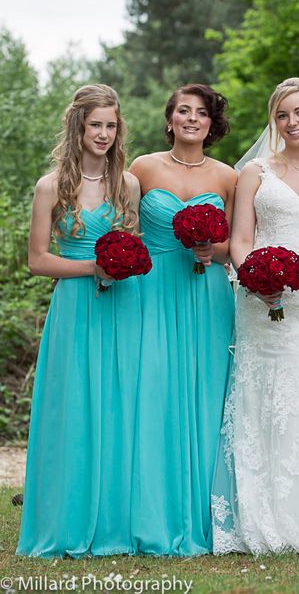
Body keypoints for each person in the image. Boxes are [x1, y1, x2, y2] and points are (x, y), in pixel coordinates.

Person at [211, 77, 299, 555]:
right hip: (261, 302)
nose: (291, 123)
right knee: (261, 399)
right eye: (281, 115)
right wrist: (257, 280)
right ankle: (258, 514)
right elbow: (240, 240)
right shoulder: (256, 172)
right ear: (273, 121)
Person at [17, 84, 141, 558]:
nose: (104, 134)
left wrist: (119, 268)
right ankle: (65, 520)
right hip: (74, 306)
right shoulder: (51, 187)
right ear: (78, 127)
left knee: (116, 406)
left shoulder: (126, 184)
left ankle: (113, 522)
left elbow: (134, 244)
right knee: (72, 410)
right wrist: (94, 267)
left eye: (111, 126)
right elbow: (38, 260)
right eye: (96, 125)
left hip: (120, 306)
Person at [129, 83, 237, 556]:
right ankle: (152, 510)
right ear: (170, 118)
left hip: (207, 293)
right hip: (151, 292)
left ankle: (208, 514)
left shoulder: (230, 177)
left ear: (212, 124)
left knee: (207, 394)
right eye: (183, 111)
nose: (192, 119)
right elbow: (121, 231)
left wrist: (208, 250)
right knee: (153, 393)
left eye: (201, 113)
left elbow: (236, 246)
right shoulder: (142, 168)